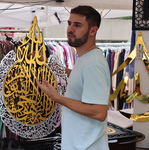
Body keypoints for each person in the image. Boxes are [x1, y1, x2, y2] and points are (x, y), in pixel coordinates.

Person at [35, 5, 110, 150]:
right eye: (69, 23)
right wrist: (48, 64)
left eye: (78, 25)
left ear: (93, 30)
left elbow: (99, 112)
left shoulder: (93, 64)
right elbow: (78, 77)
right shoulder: (86, 58)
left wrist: (56, 97)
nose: (70, 29)